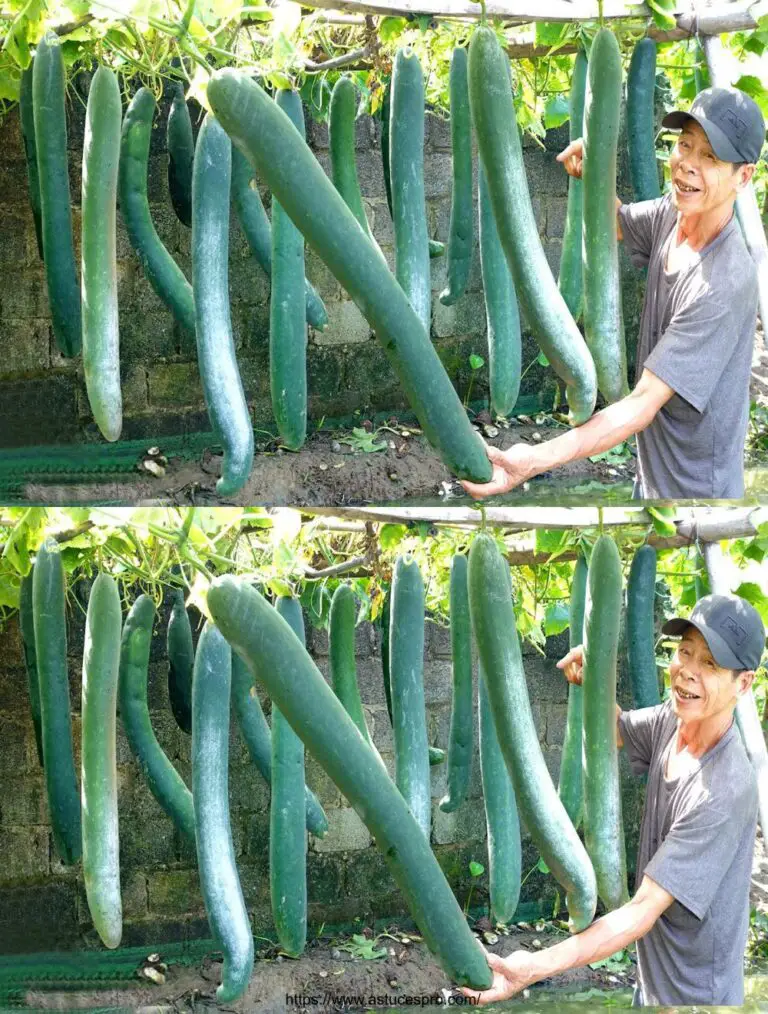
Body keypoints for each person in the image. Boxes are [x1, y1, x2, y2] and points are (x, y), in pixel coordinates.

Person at [461, 593, 765, 1007]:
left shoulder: (724, 788)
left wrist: (531, 967)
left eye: (710, 664)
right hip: (654, 984)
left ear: (743, 683)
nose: (687, 672)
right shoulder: (672, 720)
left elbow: (641, 911)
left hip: (698, 1000)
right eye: (685, 652)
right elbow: (617, 727)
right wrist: (595, 677)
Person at [462, 87, 765, 501]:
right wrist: (595, 170)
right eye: (685, 145)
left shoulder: (724, 282)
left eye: (710, 157)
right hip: (653, 484)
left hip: (697, 505)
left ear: (743, 176)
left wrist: (532, 461)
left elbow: (641, 405)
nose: (688, 165)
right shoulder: (672, 213)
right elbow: (618, 222)